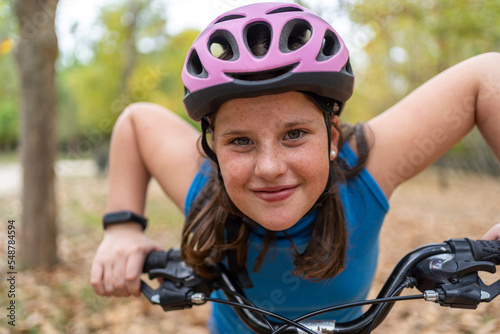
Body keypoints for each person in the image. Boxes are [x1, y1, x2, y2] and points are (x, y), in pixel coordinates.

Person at [90, 2, 500, 333]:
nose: (268, 167)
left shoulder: (364, 169)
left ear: (333, 138)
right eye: (240, 141)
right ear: (213, 147)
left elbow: (487, 78)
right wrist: (122, 228)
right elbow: (136, 121)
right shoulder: (204, 185)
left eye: (295, 135)